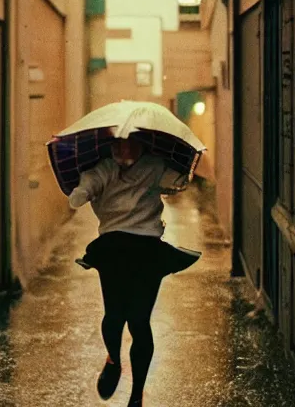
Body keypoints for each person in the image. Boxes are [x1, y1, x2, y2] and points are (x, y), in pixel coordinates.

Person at [69, 135, 201, 407]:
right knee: (115, 315)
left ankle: (137, 394)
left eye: (130, 143)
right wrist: (82, 192)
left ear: (143, 146)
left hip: (147, 251)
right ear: (110, 146)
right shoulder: (104, 169)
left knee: (139, 321)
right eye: (117, 143)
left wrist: (183, 170)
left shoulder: (153, 167)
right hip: (113, 248)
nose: (123, 149)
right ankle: (113, 359)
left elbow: (178, 182)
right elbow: (85, 188)